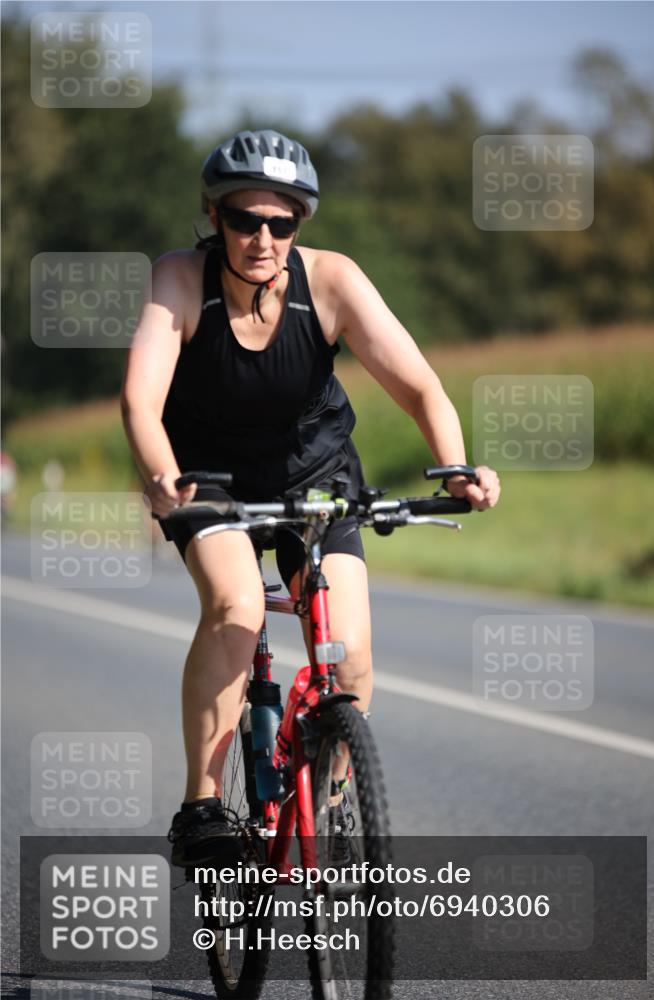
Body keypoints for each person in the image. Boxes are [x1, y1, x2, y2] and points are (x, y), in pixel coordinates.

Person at [120, 128, 500, 867]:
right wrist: (163, 477)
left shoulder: (331, 280)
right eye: (242, 219)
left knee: (350, 661)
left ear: (300, 226)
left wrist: (453, 466)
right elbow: (140, 399)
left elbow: (420, 386)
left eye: (280, 223)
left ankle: (321, 803)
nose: (261, 238)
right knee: (238, 605)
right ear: (212, 215)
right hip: (206, 476)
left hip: (313, 470)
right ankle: (201, 804)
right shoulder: (177, 278)